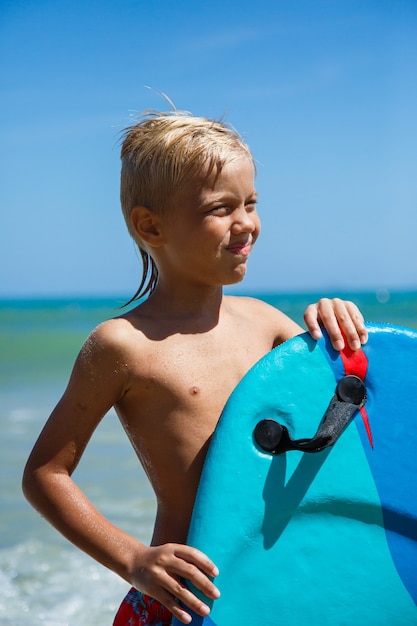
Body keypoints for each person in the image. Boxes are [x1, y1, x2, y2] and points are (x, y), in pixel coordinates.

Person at [22, 111, 368, 626]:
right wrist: (134, 560)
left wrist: (338, 328)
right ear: (151, 226)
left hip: (283, 589)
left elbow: (348, 415)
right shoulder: (124, 344)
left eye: (251, 203)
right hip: (186, 602)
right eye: (221, 208)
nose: (246, 222)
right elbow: (45, 474)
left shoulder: (268, 325)